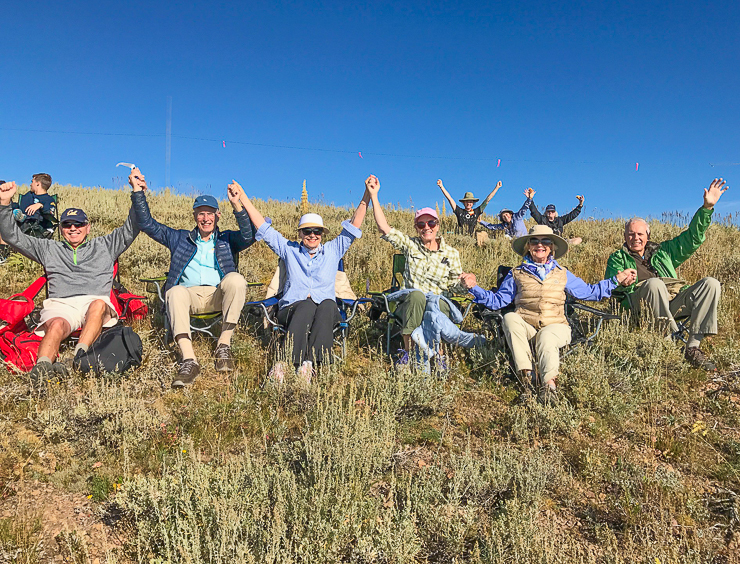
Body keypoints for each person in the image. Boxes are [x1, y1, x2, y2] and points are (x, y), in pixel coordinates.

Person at [460, 225, 636, 404]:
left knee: (547, 335)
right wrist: (473, 288)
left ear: (551, 247)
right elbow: (497, 301)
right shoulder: (516, 274)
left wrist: (616, 280)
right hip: (527, 326)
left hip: (557, 327)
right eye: (534, 241)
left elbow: (590, 292)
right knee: (509, 318)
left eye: (545, 241)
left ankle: (549, 387)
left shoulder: (563, 273)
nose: (539, 245)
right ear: (528, 246)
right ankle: (528, 380)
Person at [0, 180, 140, 383]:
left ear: (88, 227)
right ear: (61, 229)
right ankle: (42, 370)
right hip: (61, 304)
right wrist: (4, 203)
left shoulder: (105, 246)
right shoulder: (48, 249)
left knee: (98, 305)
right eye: (67, 224)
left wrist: (137, 193)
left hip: (95, 303)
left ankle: (78, 358)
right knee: (56, 324)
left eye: (79, 224)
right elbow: (12, 236)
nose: (73, 228)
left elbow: (132, 228)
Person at [129, 168, 256, 388]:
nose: (205, 219)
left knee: (236, 279)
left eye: (210, 213)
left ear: (218, 216)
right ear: (195, 216)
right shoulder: (179, 238)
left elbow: (249, 235)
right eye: (201, 213)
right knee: (175, 291)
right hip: (189, 297)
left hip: (218, 295)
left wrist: (238, 205)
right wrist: (138, 192)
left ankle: (223, 345)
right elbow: (148, 225)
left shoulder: (226, 239)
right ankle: (189, 360)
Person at [234, 178, 370, 381]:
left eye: (317, 231)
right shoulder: (289, 250)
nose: (312, 235)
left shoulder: (333, 251)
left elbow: (354, 225)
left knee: (326, 305)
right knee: (306, 306)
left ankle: (308, 364)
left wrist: (367, 194)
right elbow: (263, 227)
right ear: (300, 233)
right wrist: (242, 197)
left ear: (323, 234)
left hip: (325, 310)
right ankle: (284, 363)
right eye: (307, 231)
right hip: (292, 310)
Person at [605, 178, 728, 371]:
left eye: (639, 234)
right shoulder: (618, 258)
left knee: (711, 283)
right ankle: (668, 343)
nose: (635, 238)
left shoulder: (663, 252)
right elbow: (612, 286)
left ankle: (693, 347)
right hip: (640, 305)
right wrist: (623, 282)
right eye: (630, 234)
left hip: (673, 301)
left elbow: (692, 239)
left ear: (648, 235)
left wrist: (706, 208)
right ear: (625, 236)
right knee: (654, 284)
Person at [367, 175, 465, 364]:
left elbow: (455, 288)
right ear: (416, 227)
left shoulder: (451, 253)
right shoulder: (410, 246)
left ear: (438, 226)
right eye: (421, 224)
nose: (426, 227)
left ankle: (438, 355)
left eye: (431, 223)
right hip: (411, 302)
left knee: (434, 303)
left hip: (438, 302)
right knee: (417, 296)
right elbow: (383, 228)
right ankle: (409, 353)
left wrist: (465, 284)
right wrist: (374, 195)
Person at [0, 173, 57, 262]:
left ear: (38, 184)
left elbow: (50, 213)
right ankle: (3, 255)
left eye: (32, 181)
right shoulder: (28, 196)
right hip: (20, 223)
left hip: (37, 227)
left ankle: (3, 256)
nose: (30, 184)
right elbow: (17, 205)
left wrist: (40, 205)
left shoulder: (48, 199)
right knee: (3, 224)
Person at [437, 178, 502, 235]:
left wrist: (496, 188)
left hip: (473, 238)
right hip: (460, 237)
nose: (469, 203)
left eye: (471, 202)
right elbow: (450, 199)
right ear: (464, 202)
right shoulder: (459, 211)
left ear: (473, 203)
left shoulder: (476, 211)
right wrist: (441, 186)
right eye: (467, 201)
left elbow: (487, 200)